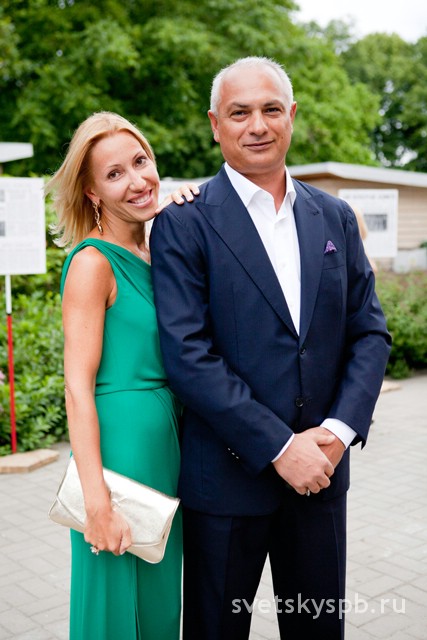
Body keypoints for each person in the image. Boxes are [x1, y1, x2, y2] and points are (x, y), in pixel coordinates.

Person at [150, 57, 391, 640]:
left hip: (321, 477)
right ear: (215, 125)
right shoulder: (184, 223)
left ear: (292, 116)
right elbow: (188, 355)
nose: (257, 125)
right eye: (239, 113)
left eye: (270, 109)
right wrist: (281, 447)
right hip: (226, 484)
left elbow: (369, 332)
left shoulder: (334, 216)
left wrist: (336, 433)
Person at [46, 111, 198, 640]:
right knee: (114, 607)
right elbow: (77, 387)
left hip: (165, 449)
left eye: (140, 161)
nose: (136, 180)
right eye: (115, 174)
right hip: (118, 454)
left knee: (158, 607)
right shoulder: (93, 263)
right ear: (92, 191)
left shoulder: (158, 251)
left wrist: (187, 210)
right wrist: (97, 503)